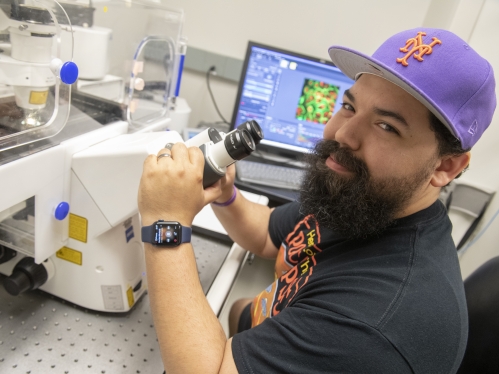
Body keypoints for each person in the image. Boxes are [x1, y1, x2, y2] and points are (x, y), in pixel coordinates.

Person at [138, 28, 496, 373]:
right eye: (349, 106)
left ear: (445, 167)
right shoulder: (363, 199)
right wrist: (226, 195)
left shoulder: (378, 323)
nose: (342, 133)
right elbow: (267, 233)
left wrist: (164, 220)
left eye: (386, 126)